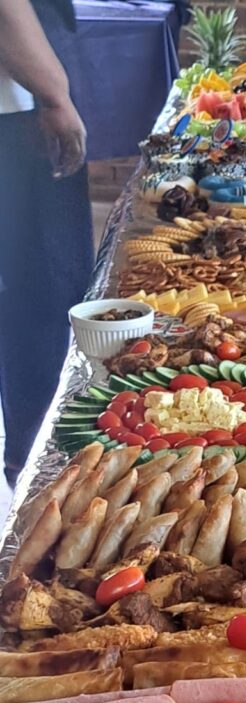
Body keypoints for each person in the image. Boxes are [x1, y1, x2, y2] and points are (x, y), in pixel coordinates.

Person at [0, 0, 93, 486]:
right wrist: (55, 96)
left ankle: (29, 457)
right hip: (17, 113)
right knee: (42, 292)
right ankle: (35, 465)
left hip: (20, 104)